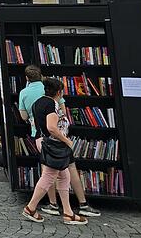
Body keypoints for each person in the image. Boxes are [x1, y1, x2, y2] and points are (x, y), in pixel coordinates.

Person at [19, 65, 100, 218]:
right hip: (54, 142)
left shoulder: (29, 96)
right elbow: (53, 123)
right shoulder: (51, 103)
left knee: (61, 175)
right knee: (53, 175)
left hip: (40, 137)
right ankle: (31, 208)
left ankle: (62, 209)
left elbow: (24, 117)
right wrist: (66, 140)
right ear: (59, 92)